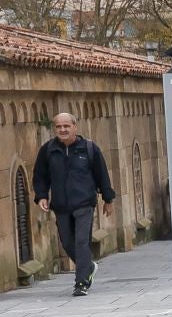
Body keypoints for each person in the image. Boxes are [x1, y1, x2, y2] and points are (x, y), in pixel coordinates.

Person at [32, 113, 116, 297]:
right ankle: (88, 267)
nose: (63, 130)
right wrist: (41, 196)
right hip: (61, 205)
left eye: (66, 126)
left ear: (75, 127)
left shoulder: (89, 148)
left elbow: (102, 174)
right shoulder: (48, 150)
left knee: (81, 241)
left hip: (84, 203)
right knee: (67, 242)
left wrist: (107, 200)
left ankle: (81, 283)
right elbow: (40, 176)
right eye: (59, 127)